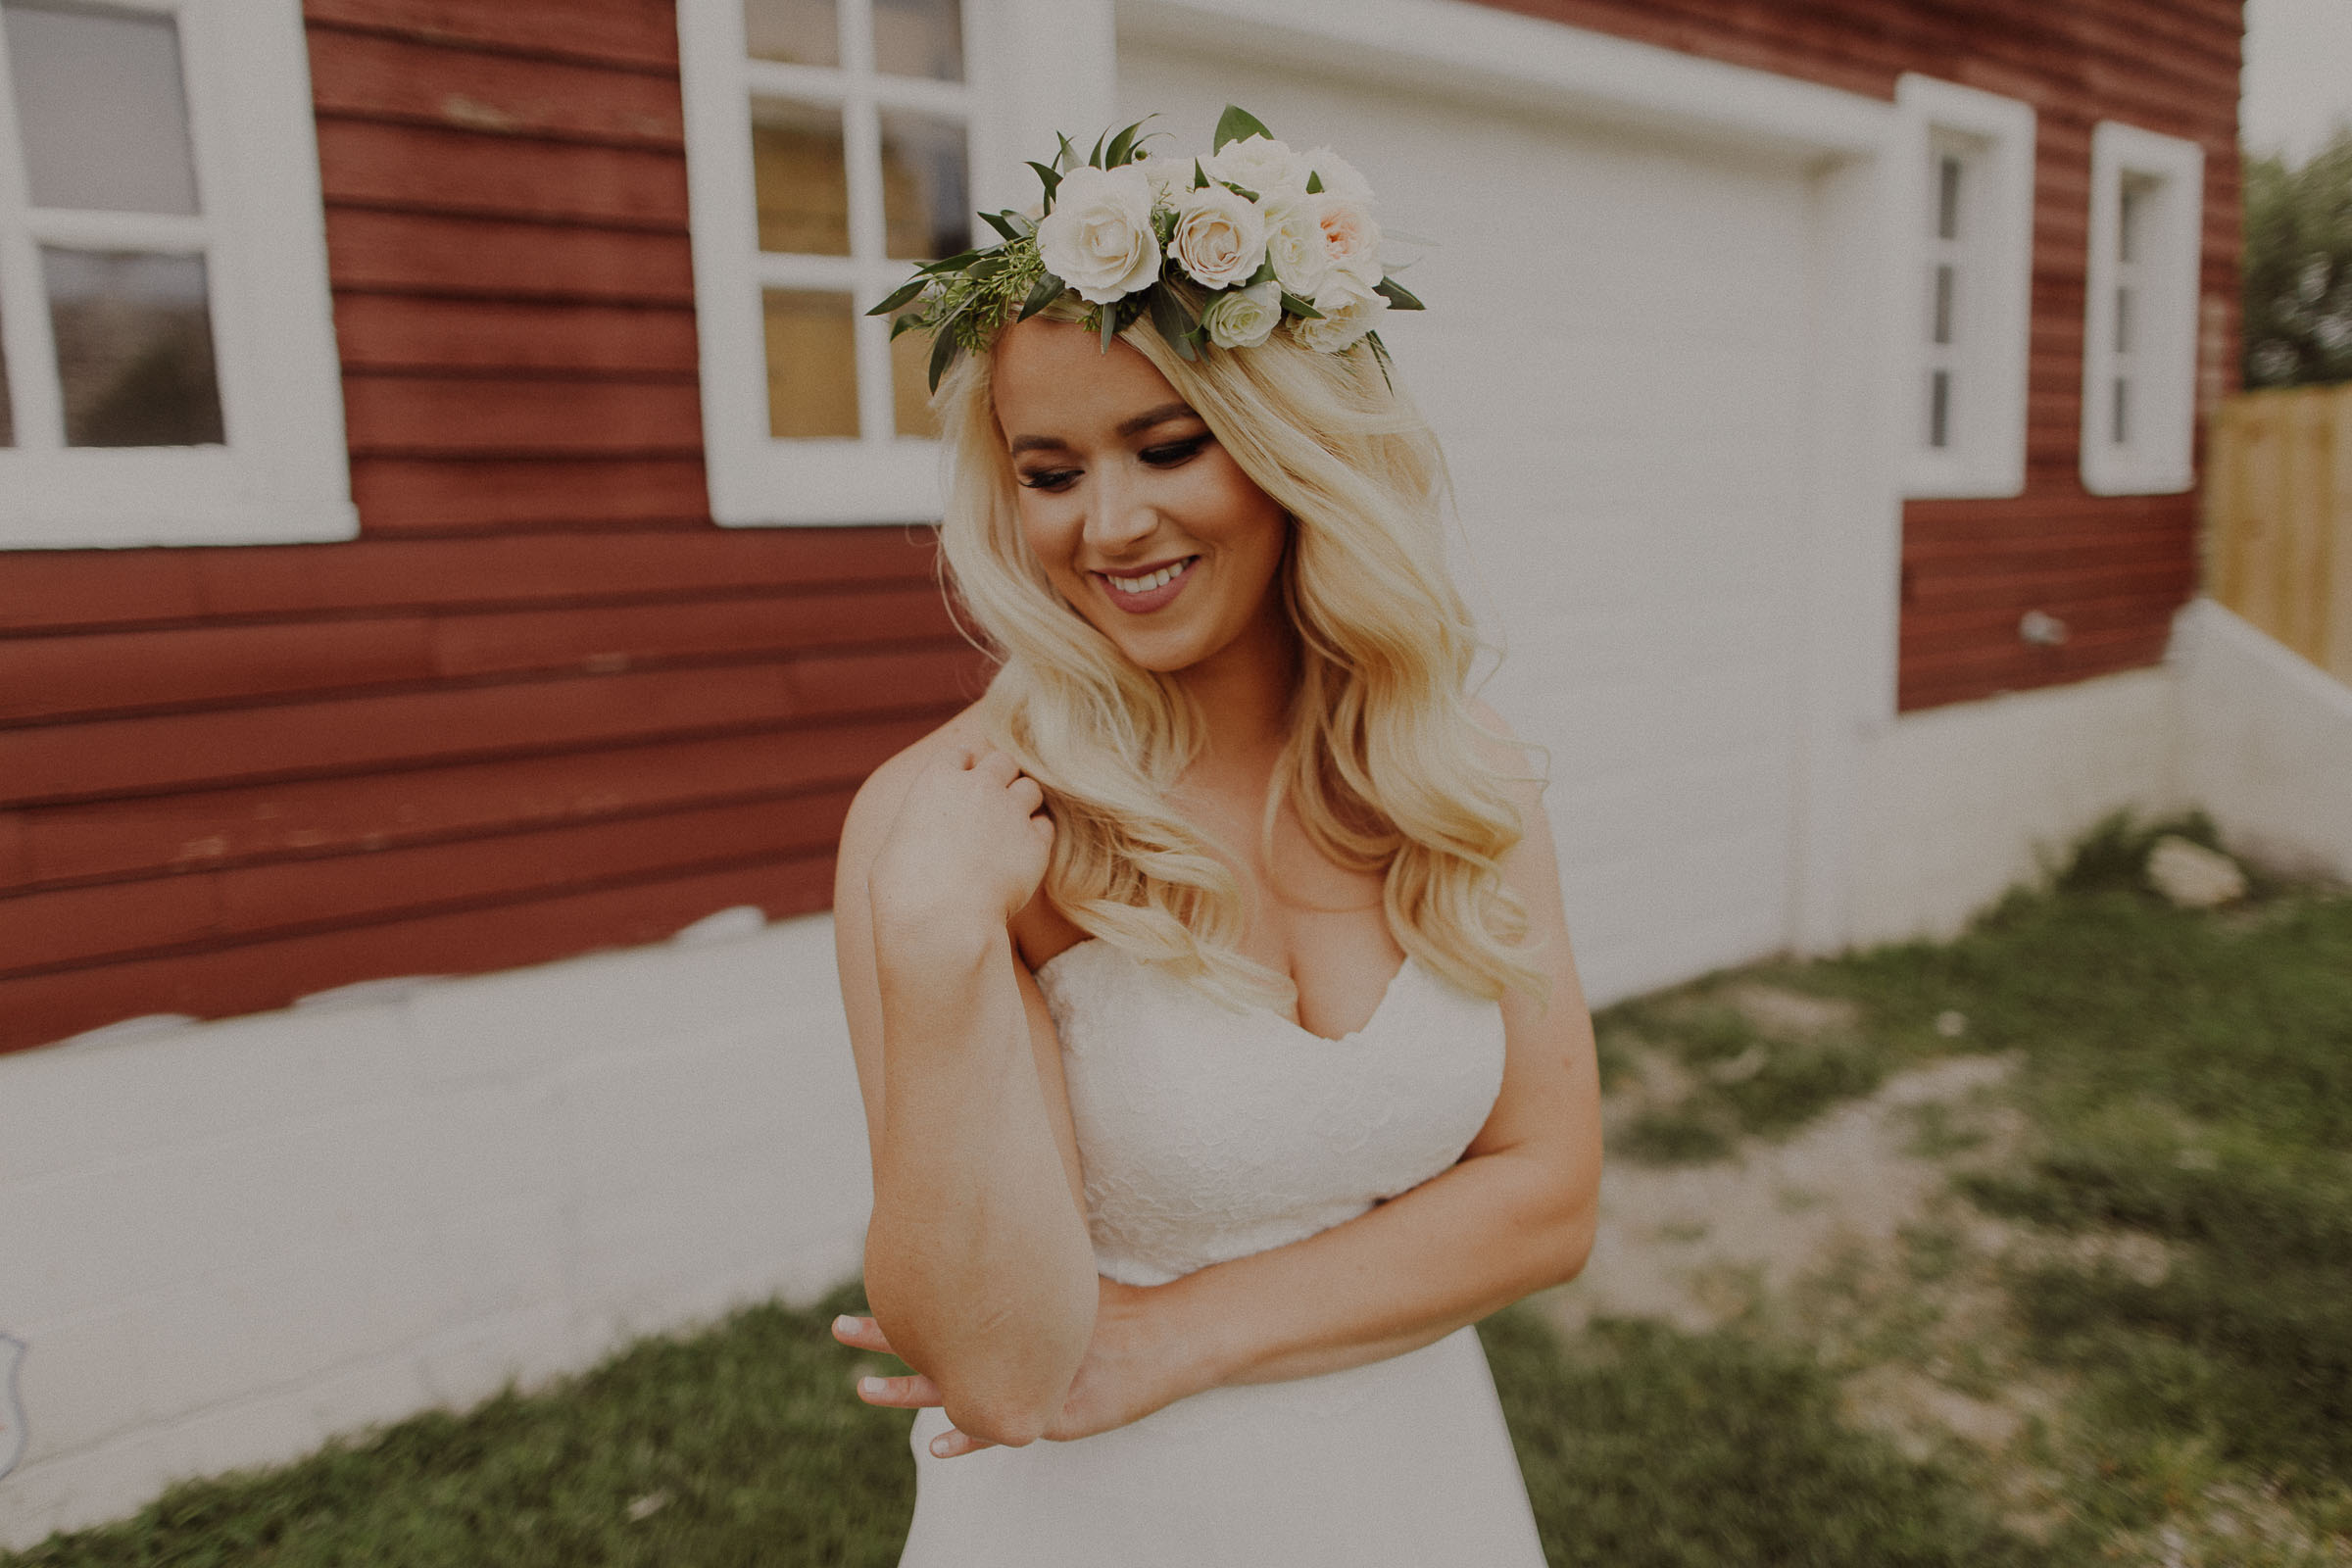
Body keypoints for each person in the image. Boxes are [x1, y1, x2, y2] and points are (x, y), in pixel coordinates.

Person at [826, 107, 1602, 1565]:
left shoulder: (1457, 769)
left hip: (1416, 1483)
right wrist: (932, 947)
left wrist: (1171, 1337)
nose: (1107, 525)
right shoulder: (956, 825)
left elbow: (1548, 1197)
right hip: (1100, 1522)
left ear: (1294, 448)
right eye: (1050, 472)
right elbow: (1001, 1373)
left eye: (1166, 447)